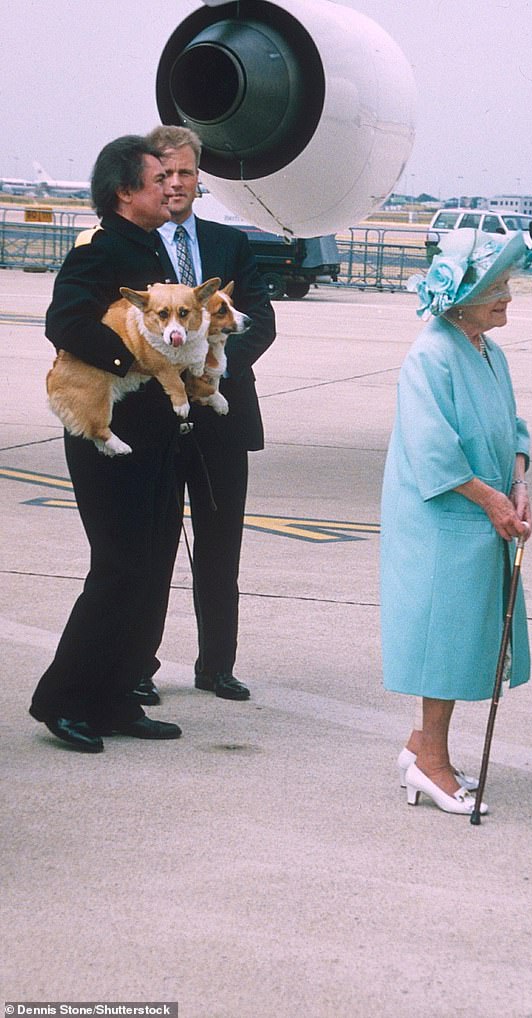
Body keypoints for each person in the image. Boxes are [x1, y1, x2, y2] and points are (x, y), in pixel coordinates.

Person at [30, 135, 186, 753]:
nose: (171, 187)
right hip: (106, 438)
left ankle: (117, 696)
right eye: (158, 180)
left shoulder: (150, 248)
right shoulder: (99, 248)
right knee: (118, 568)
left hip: (151, 437)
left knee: (144, 573)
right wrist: (131, 364)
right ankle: (61, 700)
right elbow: (64, 322)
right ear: (125, 192)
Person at [381, 229, 532, 816]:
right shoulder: (431, 354)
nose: (508, 298)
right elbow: (433, 451)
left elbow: (514, 428)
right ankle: (432, 765)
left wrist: (517, 486)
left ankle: (420, 747)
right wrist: (492, 500)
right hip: (441, 517)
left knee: (468, 631)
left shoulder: (487, 350)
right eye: (497, 287)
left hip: (480, 510)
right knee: (442, 638)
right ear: (463, 296)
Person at [135, 125, 276, 705]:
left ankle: (217, 665)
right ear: (148, 179)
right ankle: (138, 663)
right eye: (163, 174)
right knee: (150, 547)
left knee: (221, 548)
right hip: (154, 418)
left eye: (185, 173)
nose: (175, 184)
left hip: (221, 414)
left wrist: (211, 366)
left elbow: (260, 321)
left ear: (200, 179)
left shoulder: (230, 244)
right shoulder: (130, 245)